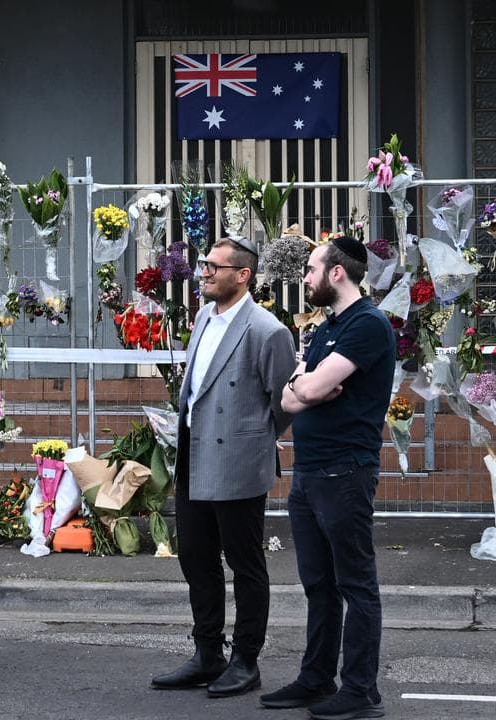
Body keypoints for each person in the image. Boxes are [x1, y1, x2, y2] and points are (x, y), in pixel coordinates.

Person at [151, 237, 296, 698]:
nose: (204, 272)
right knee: (195, 556)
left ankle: (246, 660)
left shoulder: (267, 330)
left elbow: (284, 401)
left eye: (214, 266)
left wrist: (250, 436)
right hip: (194, 455)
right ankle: (207, 652)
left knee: (245, 562)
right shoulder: (201, 317)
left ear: (243, 275)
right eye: (203, 265)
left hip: (238, 459)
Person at [264, 236, 394, 720]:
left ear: (337, 272)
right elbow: (292, 396)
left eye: (312, 269)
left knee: (356, 585)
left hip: (345, 473)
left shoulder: (367, 325)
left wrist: (308, 388)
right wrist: (307, 389)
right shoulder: (327, 328)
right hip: (309, 473)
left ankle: (360, 690)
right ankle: (316, 678)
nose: (306, 277)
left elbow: (310, 386)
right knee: (318, 584)